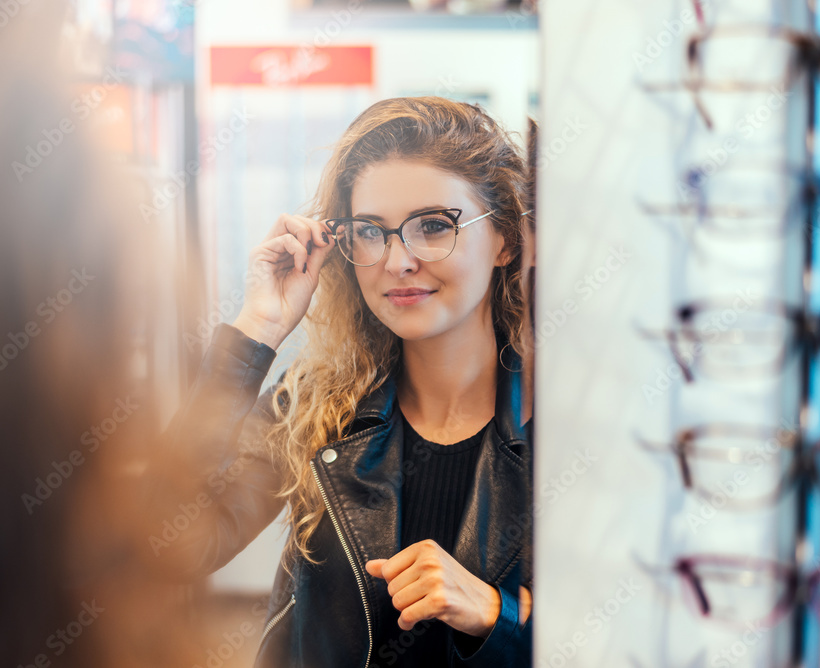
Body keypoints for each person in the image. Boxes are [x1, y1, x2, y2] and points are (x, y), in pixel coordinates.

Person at [149, 96, 534, 667]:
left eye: (433, 226)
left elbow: (623, 630)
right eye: (370, 231)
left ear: (503, 238)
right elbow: (165, 547)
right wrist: (257, 331)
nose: (396, 261)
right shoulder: (316, 403)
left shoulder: (570, 431)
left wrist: (491, 613)